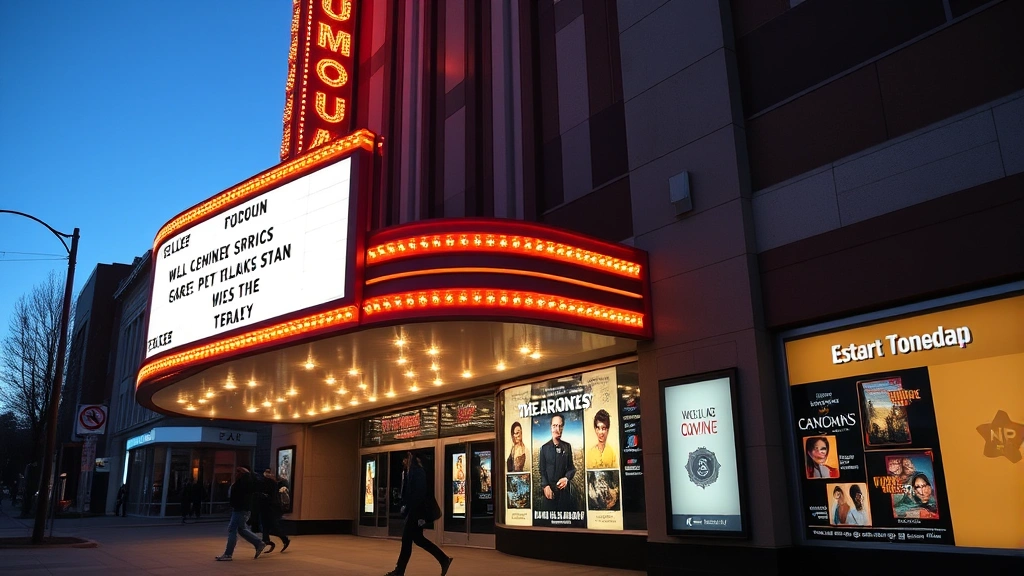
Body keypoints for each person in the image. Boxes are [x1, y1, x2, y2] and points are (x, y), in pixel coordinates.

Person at [384, 452, 453, 576]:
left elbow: (419, 495)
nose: (403, 462)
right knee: (418, 539)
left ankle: (399, 571)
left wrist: (412, 511)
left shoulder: (418, 472)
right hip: (412, 512)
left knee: (406, 541)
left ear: (409, 458)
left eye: (404, 459)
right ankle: (444, 559)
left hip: (416, 512)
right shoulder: (409, 472)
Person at [215, 467, 267, 562]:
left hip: (240, 510)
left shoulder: (244, 483)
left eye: (238, 471)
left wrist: (246, 474)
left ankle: (228, 554)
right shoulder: (244, 482)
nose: (236, 473)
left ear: (243, 473)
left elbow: (238, 496)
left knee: (232, 530)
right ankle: (259, 543)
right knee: (241, 529)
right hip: (241, 509)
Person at [539, 413, 576, 511]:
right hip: (549, 493)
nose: (557, 429)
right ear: (551, 427)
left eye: (560, 426)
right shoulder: (544, 448)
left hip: (564, 495)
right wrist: (545, 486)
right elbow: (542, 471)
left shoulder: (567, 447)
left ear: (563, 428)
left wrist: (566, 478)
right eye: (555, 426)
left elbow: (572, 468)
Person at [259, 468, 291, 553]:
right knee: (265, 525)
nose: (267, 473)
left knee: (272, 525)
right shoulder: (268, 482)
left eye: (269, 472)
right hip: (266, 507)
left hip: (271, 507)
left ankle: (284, 539)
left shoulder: (273, 483)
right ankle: (266, 540)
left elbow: (272, 496)